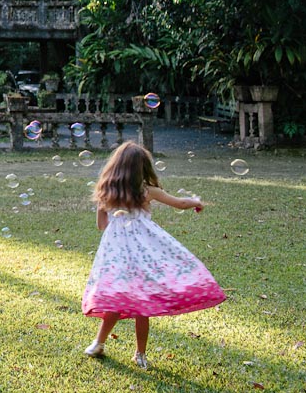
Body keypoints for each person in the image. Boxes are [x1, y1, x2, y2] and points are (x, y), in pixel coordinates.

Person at [82, 141, 226, 368]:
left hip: (116, 255)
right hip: (145, 253)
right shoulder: (147, 191)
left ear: (115, 167)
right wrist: (196, 201)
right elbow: (179, 203)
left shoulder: (106, 192)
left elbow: (101, 226)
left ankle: (98, 343)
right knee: (143, 301)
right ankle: (140, 354)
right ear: (142, 168)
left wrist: (117, 217)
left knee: (115, 298)